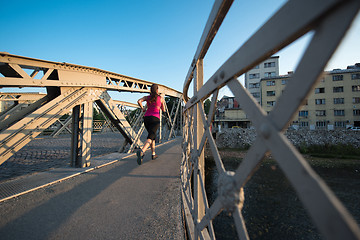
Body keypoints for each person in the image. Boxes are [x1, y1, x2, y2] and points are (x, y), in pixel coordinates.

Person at [136, 84, 166, 165]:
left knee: (152, 135)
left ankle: (153, 154)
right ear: (157, 90)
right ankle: (142, 152)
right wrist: (161, 106)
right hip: (155, 119)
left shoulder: (147, 97)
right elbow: (164, 110)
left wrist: (143, 108)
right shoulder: (161, 98)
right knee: (151, 136)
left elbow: (139, 101)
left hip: (146, 118)